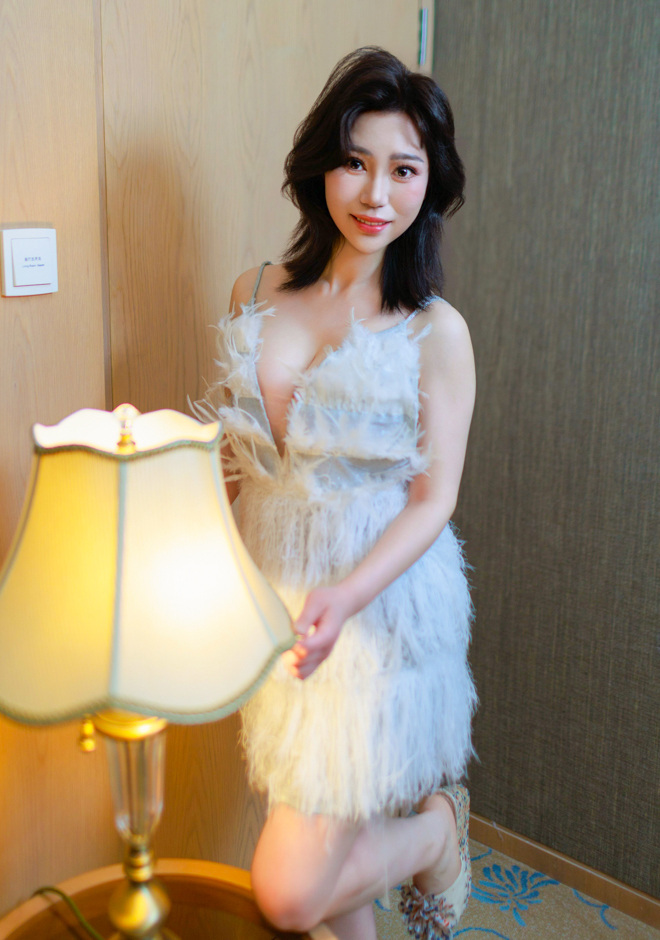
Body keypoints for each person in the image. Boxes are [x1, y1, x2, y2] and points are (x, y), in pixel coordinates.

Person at [209, 47, 476, 940]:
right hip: (278, 592)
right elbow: (239, 454)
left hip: (379, 608)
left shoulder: (436, 332)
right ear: (321, 165)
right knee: (331, 852)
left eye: (403, 170)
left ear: (429, 184)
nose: (375, 194)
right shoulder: (253, 292)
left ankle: (436, 834)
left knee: (289, 893)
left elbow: (434, 500)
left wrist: (347, 596)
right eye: (356, 162)